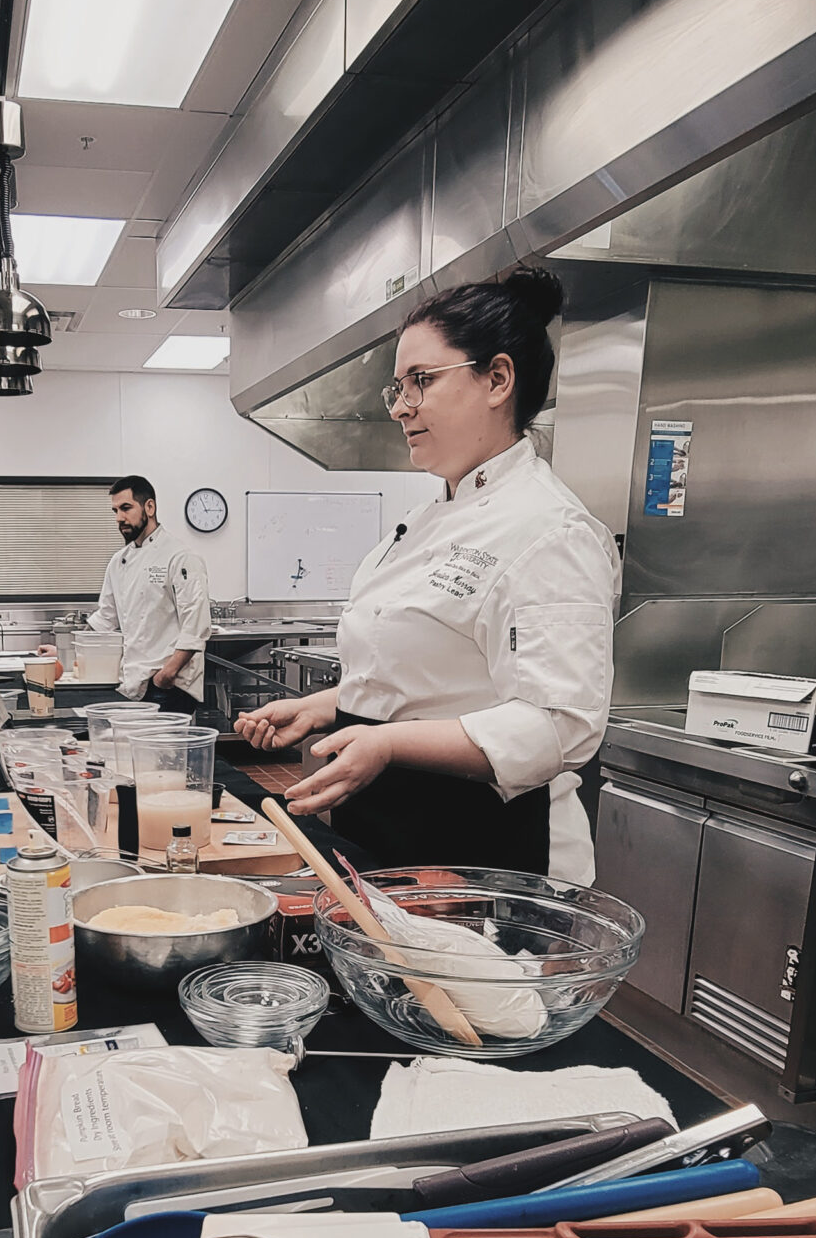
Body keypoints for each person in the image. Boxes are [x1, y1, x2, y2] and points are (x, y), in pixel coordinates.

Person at [234, 267, 617, 883]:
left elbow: (559, 725)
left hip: (490, 853)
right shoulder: (426, 517)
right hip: (393, 833)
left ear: (497, 379)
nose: (401, 408)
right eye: (397, 388)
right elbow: (426, 680)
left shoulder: (552, 531)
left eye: (421, 381)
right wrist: (327, 707)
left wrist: (386, 744)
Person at [93, 474, 211, 716]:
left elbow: (196, 625)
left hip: (168, 684)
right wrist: (65, 651)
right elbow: (106, 619)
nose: (119, 518)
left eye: (126, 508)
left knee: (165, 753)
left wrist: (168, 674)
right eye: (115, 510)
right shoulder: (118, 561)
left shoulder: (180, 556)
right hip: (133, 683)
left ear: (150, 506)